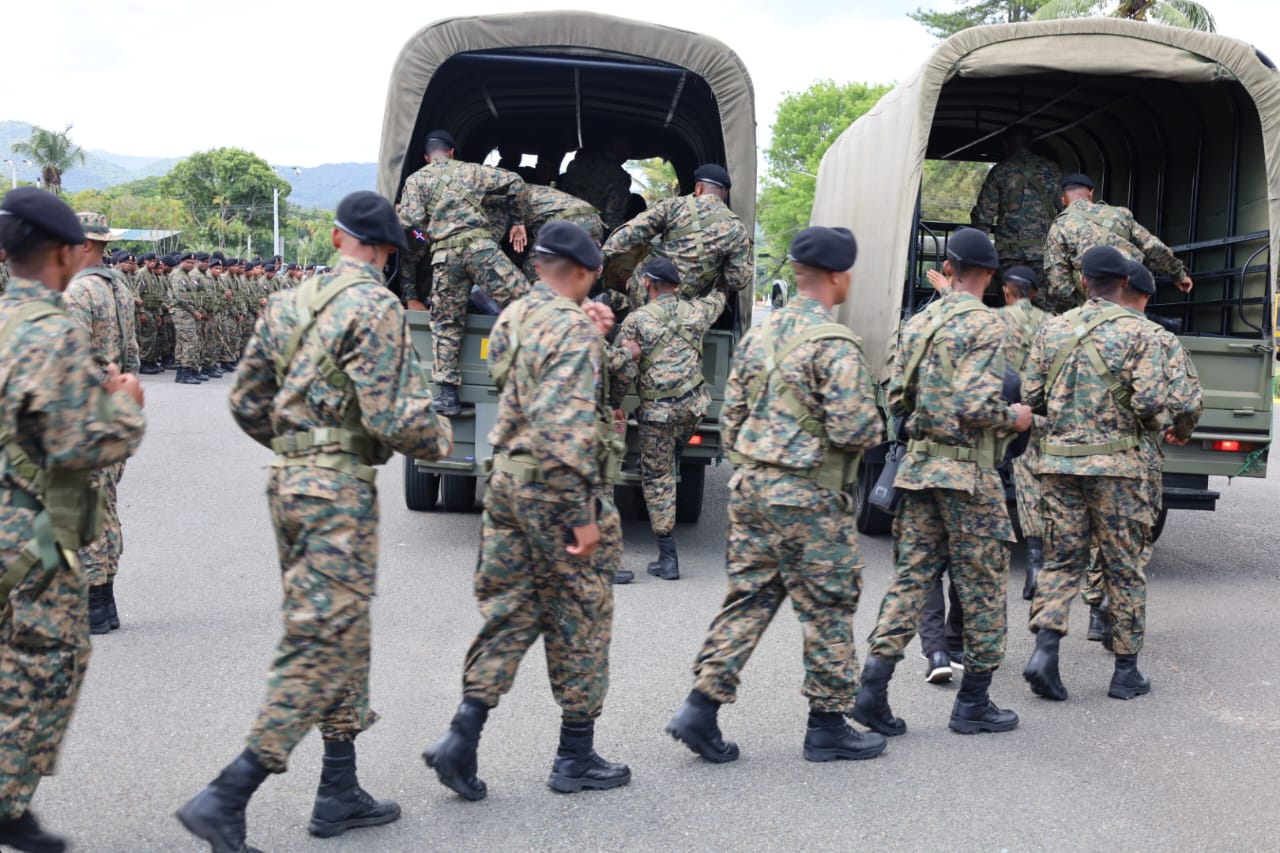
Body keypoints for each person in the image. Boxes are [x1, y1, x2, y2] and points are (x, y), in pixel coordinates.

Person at [176, 192, 452, 852]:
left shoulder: (288, 300)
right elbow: (395, 418)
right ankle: (229, 791)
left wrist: (300, 446)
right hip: (337, 490)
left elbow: (246, 401)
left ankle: (338, 786)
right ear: (386, 253)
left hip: (290, 483)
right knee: (323, 639)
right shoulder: (376, 305)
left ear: (334, 237)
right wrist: (441, 436)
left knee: (340, 628)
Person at [423, 221, 630, 801]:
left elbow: (512, 379)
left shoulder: (513, 316)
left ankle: (461, 739)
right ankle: (576, 756)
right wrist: (582, 519)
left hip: (507, 483)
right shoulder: (577, 333)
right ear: (586, 274)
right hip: (554, 487)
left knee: (510, 612)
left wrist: (586, 331)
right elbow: (564, 430)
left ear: (538, 265)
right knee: (584, 616)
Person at [665, 226, 887, 764]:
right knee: (830, 602)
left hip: (752, 487)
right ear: (839, 277)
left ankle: (700, 708)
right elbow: (857, 430)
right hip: (807, 495)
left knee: (750, 597)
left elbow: (733, 416)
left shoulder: (760, 337)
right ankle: (828, 725)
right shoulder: (835, 344)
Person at [0, 187, 146, 853]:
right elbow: (82, 445)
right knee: (50, 660)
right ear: (66, 252)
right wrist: (126, 406)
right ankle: (8, 801)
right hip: (31, 533)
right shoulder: (53, 327)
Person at [853, 227, 1032, 738]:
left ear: (947, 268)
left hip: (917, 469)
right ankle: (973, 702)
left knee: (910, 582)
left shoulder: (920, 322)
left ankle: (872, 692)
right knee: (982, 588)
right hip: (968, 476)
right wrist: (1016, 417)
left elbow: (897, 402)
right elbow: (977, 404)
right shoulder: (986, 324)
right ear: (992, 277)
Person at [1021, 246, 1169, 703]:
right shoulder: (1141, 333)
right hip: (1118, 469)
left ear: (1083, 281)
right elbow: (1149, 403)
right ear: (1125, 284)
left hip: (1059, 465)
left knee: (1062, 559)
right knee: (1123, 567)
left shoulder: (1052, 329)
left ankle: (1045, 652)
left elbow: (1031, 396)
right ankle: (1126, 673)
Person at [1079, 259, 1202, 648]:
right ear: (1147, 296)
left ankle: (1095, 606)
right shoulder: (1160, 339)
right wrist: (1179, 430)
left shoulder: (1073, 328)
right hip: (1136, 455)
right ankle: (1116, 616)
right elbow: (1187, 401)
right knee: (1130, 537)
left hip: (1076, 452)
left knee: (1092, 533)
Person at [396, 129, 530, 415]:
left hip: (444, 255)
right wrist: (518, 222)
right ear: (453, 152)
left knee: (445, 324)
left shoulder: (416, 179)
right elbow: (516, 183)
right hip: (481, 248)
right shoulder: (473, 172)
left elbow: (412, 224)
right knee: (527, 304)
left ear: (426, 157)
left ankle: (447, 395)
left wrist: (426, 238)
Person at [613, 257, 725, 580]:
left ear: (647, 283)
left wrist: (615, 403)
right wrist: (721, 280)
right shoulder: (697, 312)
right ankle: (675, 450)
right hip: (694, 409)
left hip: (659, 414)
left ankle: (668, 558)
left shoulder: (636, 321)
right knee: (672, 443)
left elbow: (623, 370)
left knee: (657, 476)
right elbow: (720, 297)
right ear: (677, 286)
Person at [62, 212, 141, 636]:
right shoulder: (118, 287)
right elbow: (133, 355)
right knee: (105, 503)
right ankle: (104, 602)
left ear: (85, 245)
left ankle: (93, 605)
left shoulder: (78, 293)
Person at [602, 164, 752, 310]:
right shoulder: (736, 229)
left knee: (634, 326)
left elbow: (631, 232)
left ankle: (615, 303)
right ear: (725, 193)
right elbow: (737, 281)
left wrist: (601, 257)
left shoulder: (674, 206)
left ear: (699, 187)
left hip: (643, 289)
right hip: (681, 306)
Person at [1042, 173, 1193, 314]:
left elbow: (1058, 280)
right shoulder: (1120, 214)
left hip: (1094, 298)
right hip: (1131, 289)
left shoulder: (1060, 225)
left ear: (1063, 199)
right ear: (1091, 193)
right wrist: (1178, 274)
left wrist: (1073, 312)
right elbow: (1153, 247)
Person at [997, 265, 1050, 601]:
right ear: (1034, 293)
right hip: (1050, 414)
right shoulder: (1056, 323)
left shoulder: (994, 320)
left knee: (1025, 486)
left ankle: (1034, 563)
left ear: (1006, 291)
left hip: (1015, 415)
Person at [970, 125, 1063, 297]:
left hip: (1009, 255)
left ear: (1006, 144)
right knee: (1043, 307)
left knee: (1012, 307)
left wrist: (979, 257)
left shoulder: (1000, 171)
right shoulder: (1052, 170)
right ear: (1031, 142)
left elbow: (983, 217)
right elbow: (1065, 213)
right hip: (1044, 255)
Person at [519, 185, 604, 282]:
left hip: (570, 221)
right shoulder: (533, 189)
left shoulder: (512, 196)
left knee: (533, 267)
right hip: (592, 218)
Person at [556, 137, 633, 231]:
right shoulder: (620, 177)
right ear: (614, 147)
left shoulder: (575, 164)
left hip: (562, 225)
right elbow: (612, 218)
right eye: (626, 149)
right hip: (589, 232)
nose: (628, 154)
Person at [167, 252, 205, 385]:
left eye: (192, 262)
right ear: (181, 262)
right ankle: (185, 372)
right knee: (189, 342)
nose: (190, 265)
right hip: (182, 312)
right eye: (188, 262)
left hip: (187, 312)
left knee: (184, 342)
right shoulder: (178, 276)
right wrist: (194, 312)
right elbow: (180, 298)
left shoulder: (187, 275)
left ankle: (183, 372)